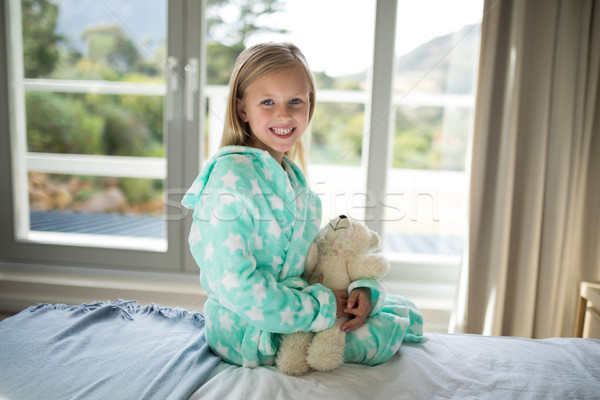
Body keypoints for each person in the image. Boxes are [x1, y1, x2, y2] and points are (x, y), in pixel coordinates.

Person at [182, 42, 424, 369]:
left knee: (389, 306)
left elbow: (309, 261)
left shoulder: (293, 180)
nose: (284, 114)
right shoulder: (230, 180)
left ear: (310, 106)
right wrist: (320, 310)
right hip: (245, 330)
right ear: (242, 110)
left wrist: (358, 288)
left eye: (296, 101)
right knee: (381, 333)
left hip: (293, 307)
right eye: (268, 102)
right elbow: (235, 285)